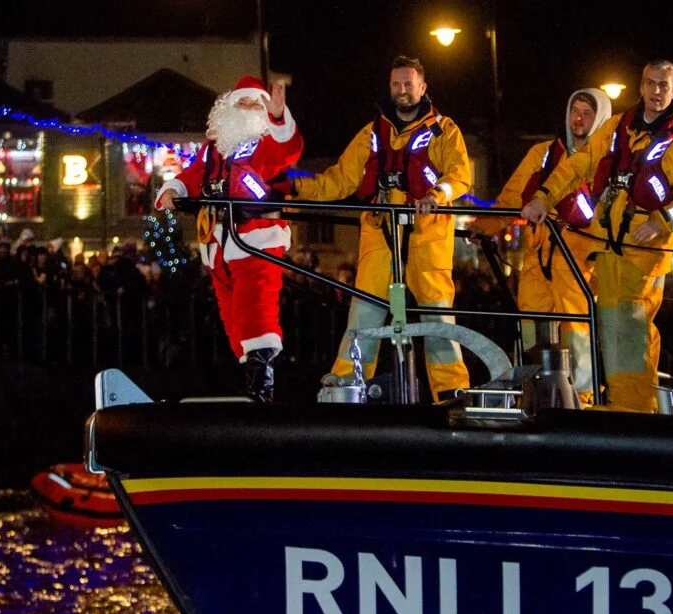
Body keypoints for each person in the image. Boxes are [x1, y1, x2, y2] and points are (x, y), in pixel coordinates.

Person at [522, 60, 673, 412]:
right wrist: (544, 197)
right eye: (651, 84)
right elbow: (579, 164)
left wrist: (662, 220)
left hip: (644, 252)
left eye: (663, 86)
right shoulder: (616, 128)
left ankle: (634, 410)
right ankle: (624, 405)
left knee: (631, 332)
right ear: (641, 86)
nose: (656, 92)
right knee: (612, 331)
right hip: (608, 249)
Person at [293, 55, 472, 401]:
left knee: (437, 316)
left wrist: (436, 195)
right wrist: (292, 189)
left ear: (422, 88)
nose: (402, 91)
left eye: (408, 84)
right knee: (364, 313)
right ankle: (346, 385)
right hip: (380, 233)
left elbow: (460, 174)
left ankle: (451, 391)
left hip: (427, 235)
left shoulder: (444, 130)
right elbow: (340, 179)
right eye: (396, 84)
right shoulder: (372, 132)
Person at [156, 75, 303, 402]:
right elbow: (192, 176)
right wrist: (173, 190)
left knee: (256, 311)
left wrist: (278, 118)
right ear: (228, 108)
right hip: (218, 245)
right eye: (243, 102)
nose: (250, 108)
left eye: (256, 104)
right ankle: (249, 383)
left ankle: (261, 388)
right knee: (233, 317)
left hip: (257, 240)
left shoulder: (265, 143)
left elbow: (287, 149)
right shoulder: (214, 149)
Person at [471, 88, 611, 405]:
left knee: (576, 327)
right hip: (538, 256)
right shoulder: (543, 154)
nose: (579, 118)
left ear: (601, 117)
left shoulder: (605, 160)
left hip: (578, 258)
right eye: (575, 110)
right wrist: (485, 226)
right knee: (531, 323)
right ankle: (532, 394)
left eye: (588, 112)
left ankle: (584, 398)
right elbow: (511, 196)